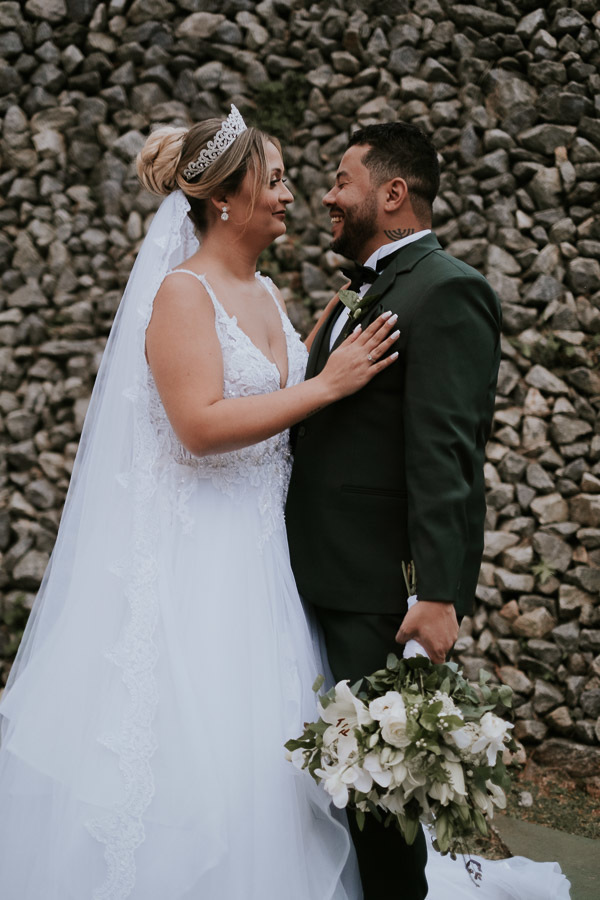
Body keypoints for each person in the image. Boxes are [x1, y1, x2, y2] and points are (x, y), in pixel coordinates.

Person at [0, 106, 399, 900]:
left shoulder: (261, 290)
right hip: (196, 561)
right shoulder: (184, 294)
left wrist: (326, 344)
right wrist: (325, 386)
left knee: (261, 754)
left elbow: (277, 390)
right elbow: (199, 426)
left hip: (261, 564)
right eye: (276, 180)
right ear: (225, 198)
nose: (293, 196)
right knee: (189, 750)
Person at [284, 122, 567, 899]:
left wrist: (438, 593)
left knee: (379, 796)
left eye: (342, 181)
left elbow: (446, 451)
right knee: (338, 787)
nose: (328, 196)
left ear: (393, 193)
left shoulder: (447, 289)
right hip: (319, 573)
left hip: (377, 585)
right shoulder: (368, 286)